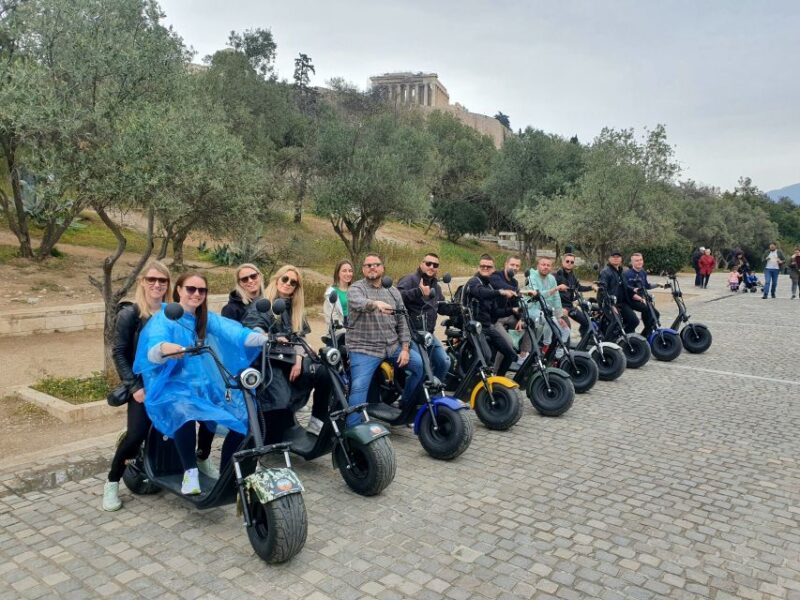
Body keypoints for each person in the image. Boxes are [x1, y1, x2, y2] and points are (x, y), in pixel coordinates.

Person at [134, 272, 267, 495]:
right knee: (185, 411)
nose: (197, 294)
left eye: (202, 290)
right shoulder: (166, 316)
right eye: (191, 289)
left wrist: (265, 338)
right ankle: (190, 472)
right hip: (171, 385)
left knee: (243, 414)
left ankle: (229, 474)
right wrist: (165, 348)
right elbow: (153, 349)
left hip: (203, 384)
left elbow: (235, 332)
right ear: (179, 290)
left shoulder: (205, 318)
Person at [103, 261, 175, 511]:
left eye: (162, 280)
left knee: (183, 426)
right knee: (136, 434)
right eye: (151, 279)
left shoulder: (172, 313)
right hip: (143, 386)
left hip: (169, 384)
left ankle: (191, 466)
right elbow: (119, 352)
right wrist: (134, 387)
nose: (157, 284)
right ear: (142, 282)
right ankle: (112, 482)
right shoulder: (130, 315)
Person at [243, 265, 330, 439]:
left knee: (325, 372)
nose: (288, 283)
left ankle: (317, 421)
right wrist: (267, 336)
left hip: (289, 359)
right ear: (277, 280)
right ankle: (271, 435)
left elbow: (300, 337)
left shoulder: (295, 309)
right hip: (268, 361)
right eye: (285, 279)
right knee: (280, 398)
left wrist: (299, 357)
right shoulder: (263, 304)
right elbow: (254, 329)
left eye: (293, 282)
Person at [345, 253, 424, 427]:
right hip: (364, 348)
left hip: (392, 346)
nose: (372, 267)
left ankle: (405, 404)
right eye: (368, 265)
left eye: (376, 264)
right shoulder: (356, 289)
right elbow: (358, 302)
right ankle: (353, 429)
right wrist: (375, 304)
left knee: (418, 365)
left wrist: (405, 348)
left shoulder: (393, 291)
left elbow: (402, 320)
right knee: (358, 386)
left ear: (383, 268)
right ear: (363, 270)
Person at [396, 252, 453, 381]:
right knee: (420, 365)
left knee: (444, 362)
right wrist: (419, 291)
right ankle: (412, 393)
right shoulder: (410, 279)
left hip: (428, 335)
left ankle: (432, 388)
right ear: (421, 264)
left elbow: (441, 307)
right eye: (428, 263)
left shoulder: (436, 286)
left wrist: (456, 308)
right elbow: (397, 297)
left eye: (435, 265)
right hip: (412, 334)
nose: (431, 267)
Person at [464, 254, 518, 376]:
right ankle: (472, 380)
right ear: (478, 267)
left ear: (493, 269)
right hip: (473, 328)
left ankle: (498, 380)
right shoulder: (474, 282)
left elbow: (495, 312)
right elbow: (480, 292)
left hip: (487, 326)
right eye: (482, 266)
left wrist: (513, 310)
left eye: (488, 267)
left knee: (511, 354)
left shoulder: (489, 286)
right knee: (486, 356)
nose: (485, 268)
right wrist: (500, 292)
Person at [523, 256, 571, 356]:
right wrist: (556, 289)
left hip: (545, 310)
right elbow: (537, 294)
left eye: (548, 265)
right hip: (531, 308)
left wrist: (559, 316)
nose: (546, 267)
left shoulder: (552, 278)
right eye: (543, 264)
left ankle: (558, 355)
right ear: (538, 265)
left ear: (551, 268)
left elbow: (556, 298)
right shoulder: (531, 277)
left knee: (565, 329)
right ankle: (544, 346)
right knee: (545, 319)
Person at [488, 255, 527, 362]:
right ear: (506, 264)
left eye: (517, 266)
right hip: (495, 318)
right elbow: (501, 286)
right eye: (512, 264)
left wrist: (521, 318)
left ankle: (523, 356)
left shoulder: (514, 282)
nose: (514, 268)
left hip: (507, 315)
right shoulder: (496, 276)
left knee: (529, 324)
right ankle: (495, 369)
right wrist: (520, 291)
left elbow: (515, 303)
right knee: (508, 343)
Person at [598, 250, 639, 334]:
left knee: (634, 321)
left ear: (621, 259)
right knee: (616, 321)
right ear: (609, 259)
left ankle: (624, 339)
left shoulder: (621, 271)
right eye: (613, 257)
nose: (616, 258)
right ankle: (607, 341)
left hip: (621, 303)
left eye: (618, 257)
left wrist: (634, 290)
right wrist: (611, 305)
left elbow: (624, 286)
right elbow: (602, 290)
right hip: (607, 303)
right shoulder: (605, 272)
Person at [555, 253, 594, 338]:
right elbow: (552, 293)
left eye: (572, 262)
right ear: (562, 262)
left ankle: (584, 342)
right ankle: (562, 345)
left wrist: (591, 287)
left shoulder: (572, 275)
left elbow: (578, 287)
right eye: (567, 261)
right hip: (561, 307)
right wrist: (559, 308)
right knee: (566, 328)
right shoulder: (556, 275)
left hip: (570, 306)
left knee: (586, 322)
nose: (569, 263)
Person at [624, 253, 661, 338]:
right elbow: (627, 291)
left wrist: (658, 284)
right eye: (637, 261)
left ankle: (645, 334)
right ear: (632, 262)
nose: (639, 262)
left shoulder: (643, 272)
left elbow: (646, 286)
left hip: (642, 299)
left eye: (641, 260)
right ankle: (639, 336)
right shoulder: (627, 274)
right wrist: (640, 299)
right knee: (647, 309)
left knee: (656, 314)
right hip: (630, 300)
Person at [323, 259, 354, 328]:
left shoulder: (355, 290)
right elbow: (330, 316)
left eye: (350, 271)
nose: (348, 274)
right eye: (344, 271)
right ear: (338, 273)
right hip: (339, 327)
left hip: (355, 326)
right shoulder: (330, 292)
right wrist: (341, 328)